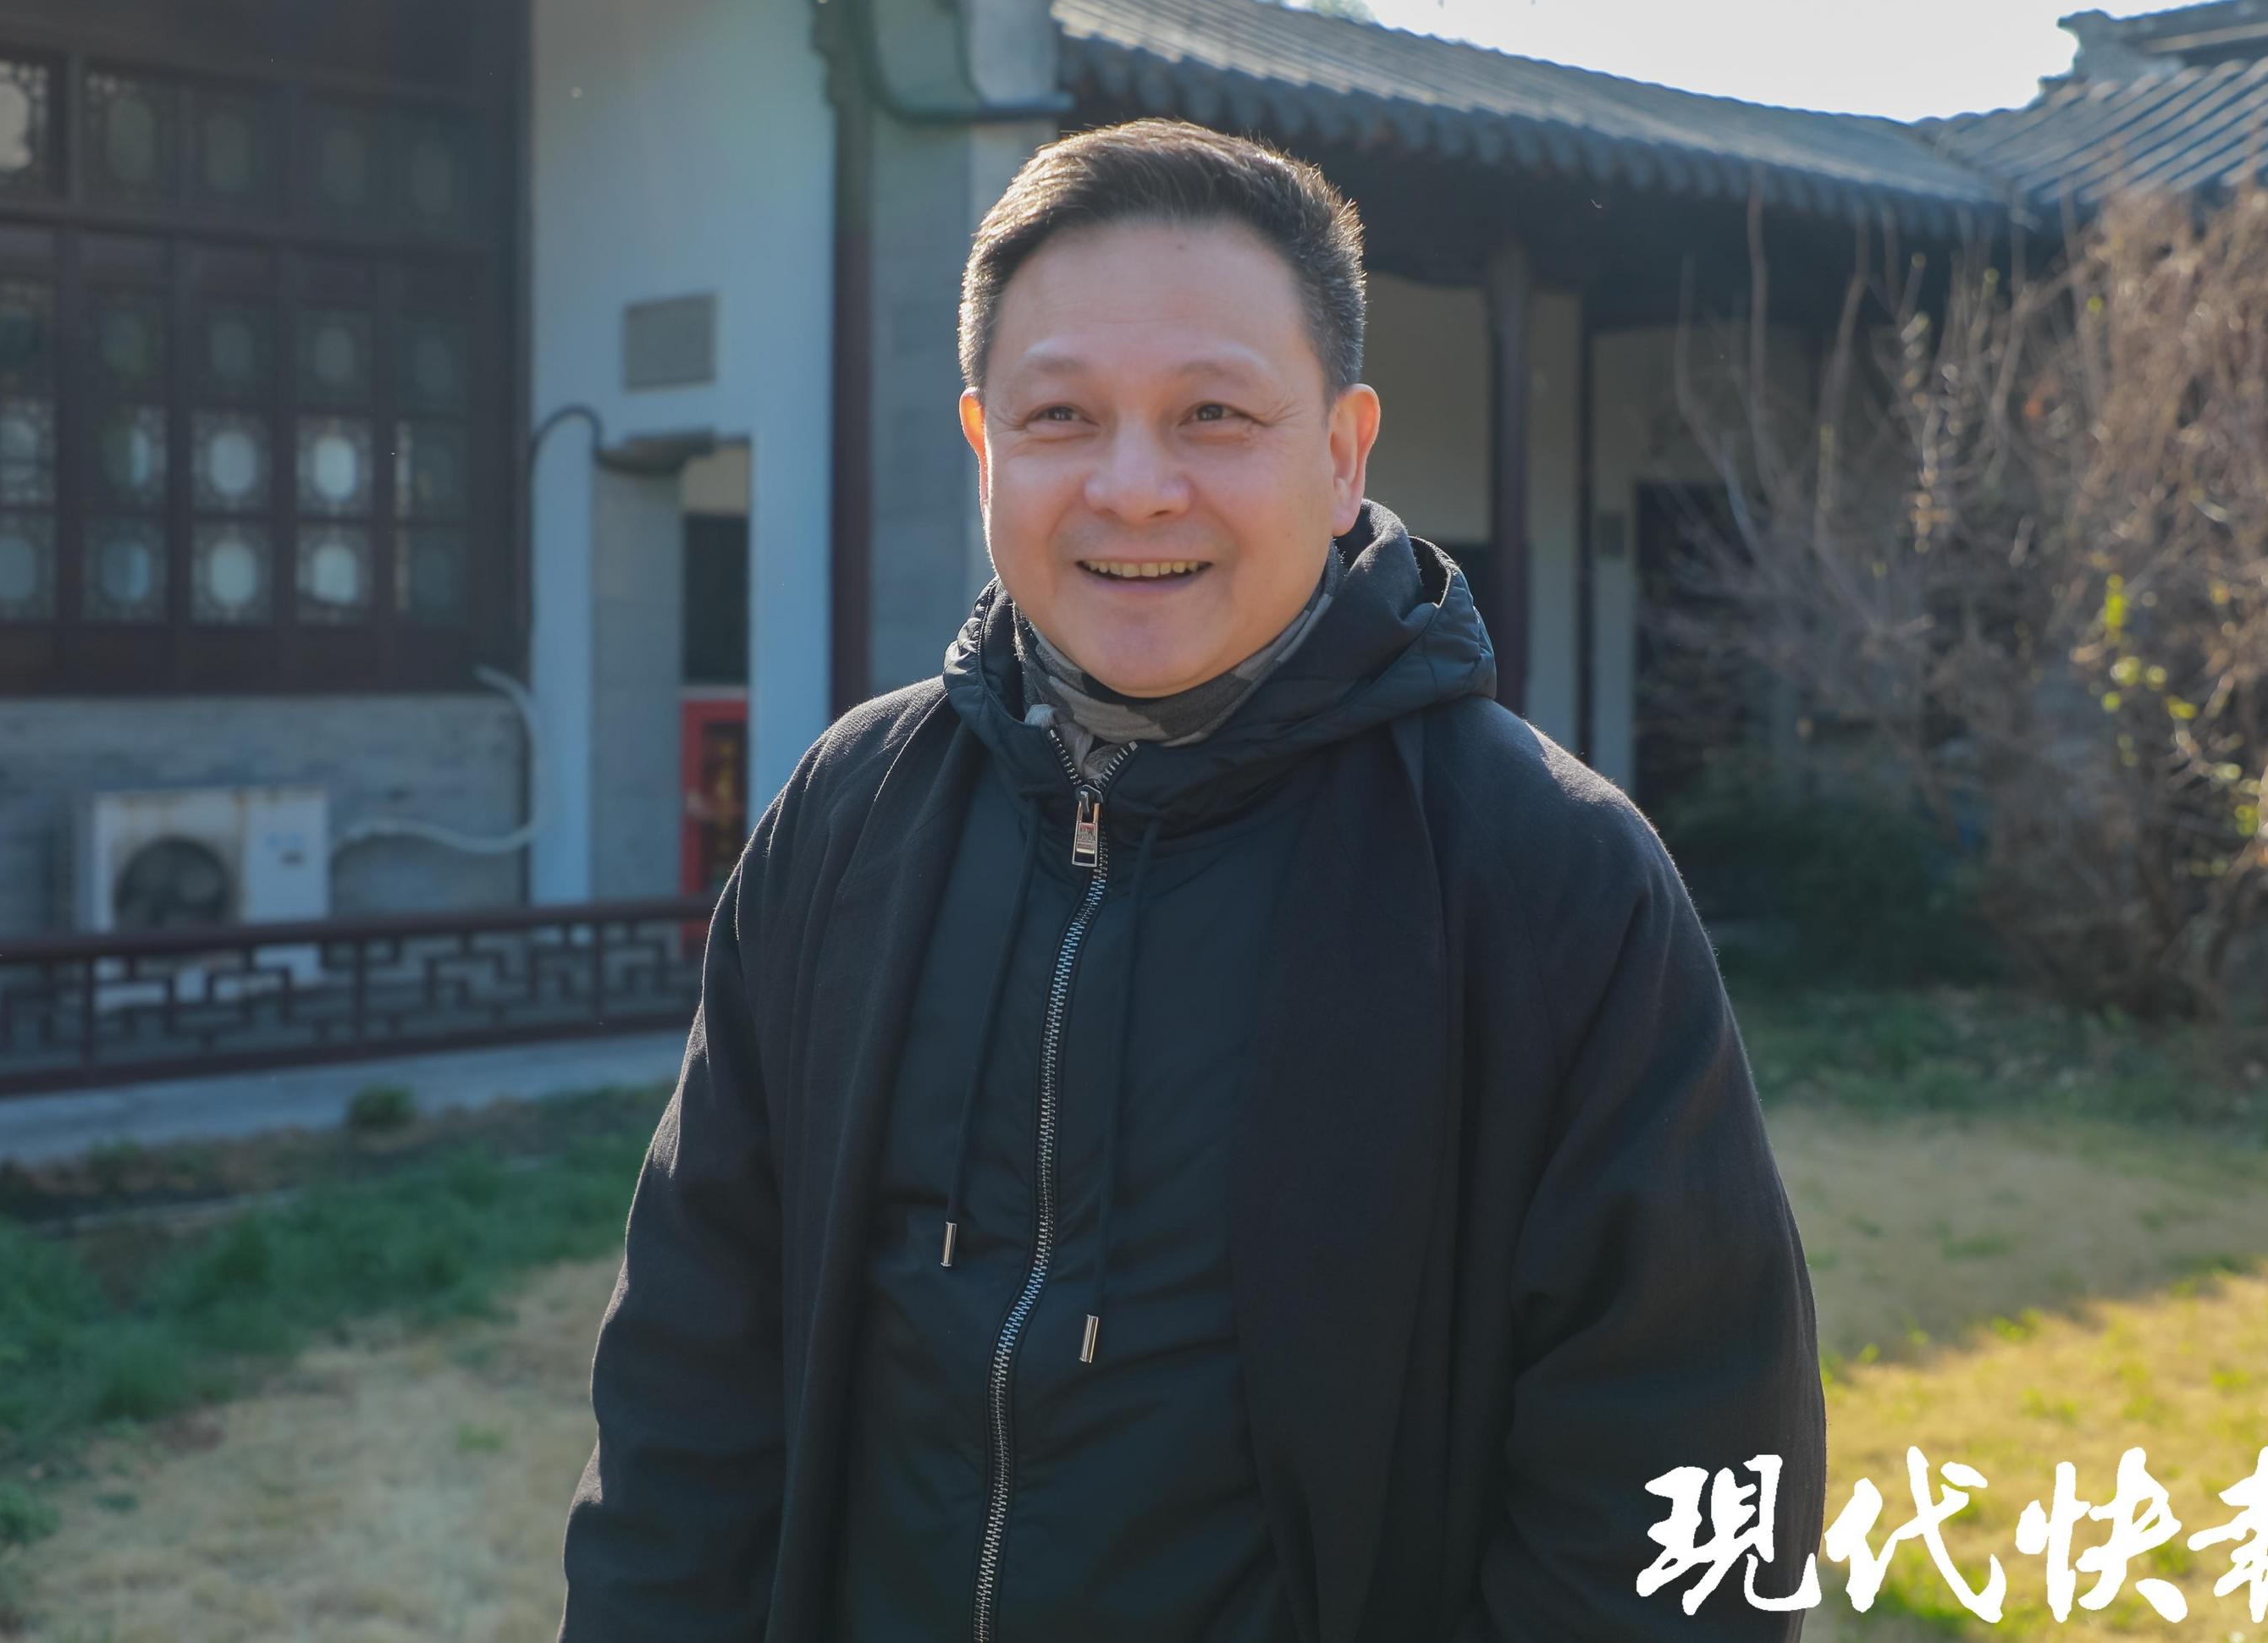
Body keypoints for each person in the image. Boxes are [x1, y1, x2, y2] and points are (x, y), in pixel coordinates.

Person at [556, 118, 1824, 1641]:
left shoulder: (1546, 879)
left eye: (1214, 414)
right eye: (1061, 417)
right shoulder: (850, 817)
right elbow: (688, 1382)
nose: (1136, 487)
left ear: (1343, 453)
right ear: (984, 447)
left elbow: (1687, 1486)